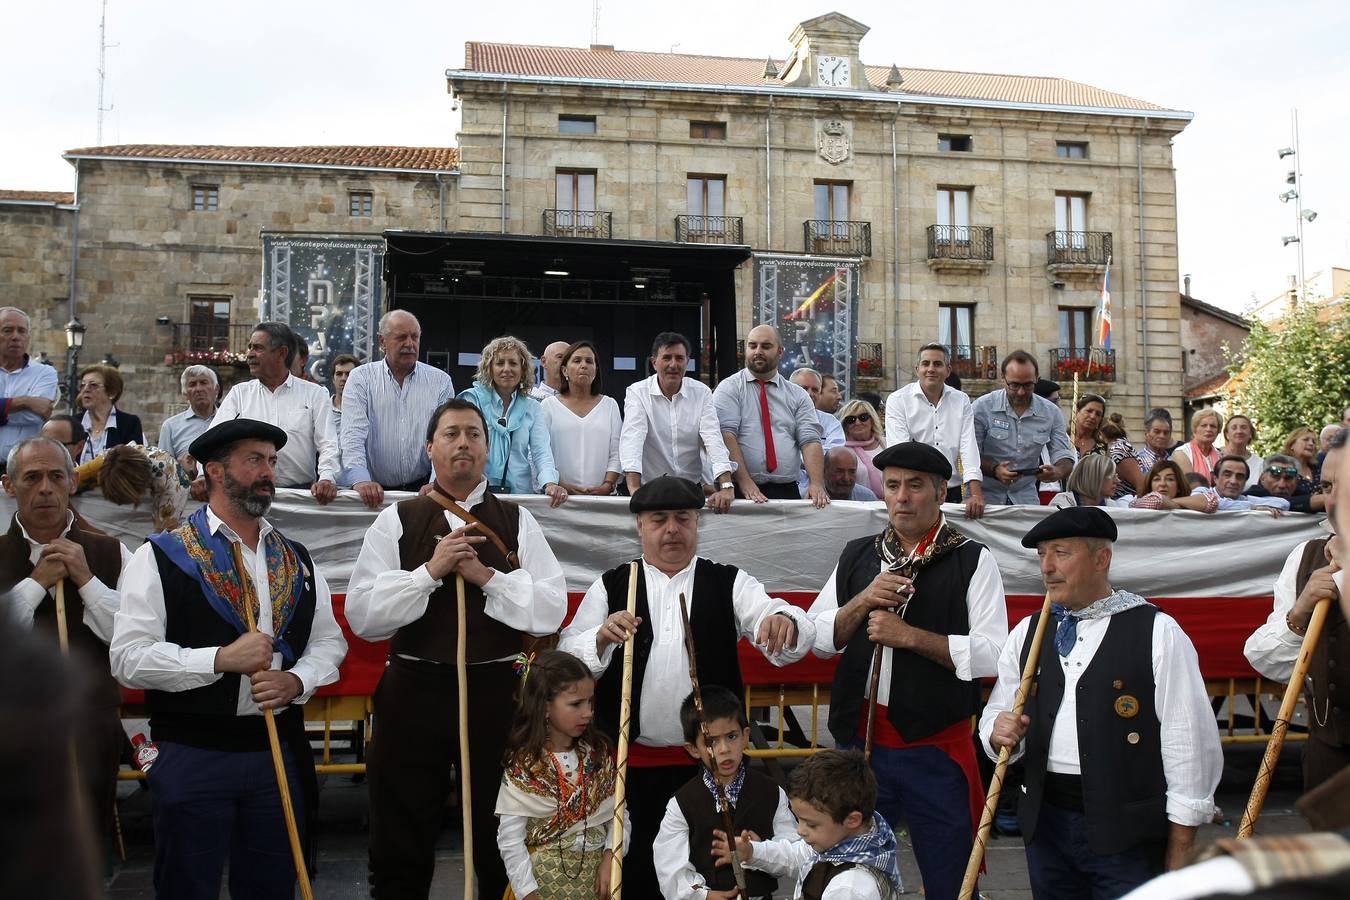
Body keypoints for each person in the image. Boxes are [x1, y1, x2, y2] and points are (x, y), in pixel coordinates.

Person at [109, 418, 348, 899]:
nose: (268, 472)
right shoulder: (162, 555)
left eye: (273, 461)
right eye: (254, 460)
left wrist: (297, 681)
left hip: (277, 749)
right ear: (216, 471)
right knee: (187, 886)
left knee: (271, 886)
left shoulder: (294, 557)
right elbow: (128, 659)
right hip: (193, 752)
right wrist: (218, 658)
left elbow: (329, 641)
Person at [344, 398, 567, 899]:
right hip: (413, 692)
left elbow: (551, 609)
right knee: (400, 830)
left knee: (503, 832)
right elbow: (363, 617)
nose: (463, 442)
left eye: (473, 433)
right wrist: (429, 572)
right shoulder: (398, 519)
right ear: (430, 447)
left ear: (489, 448)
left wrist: (487, 578)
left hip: (496, 693)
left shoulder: (515, 520)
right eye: (450, 434)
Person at [558, 475, 815, 898]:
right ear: (639, 525)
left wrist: (782, 620)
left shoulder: (727, 581)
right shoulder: (613, 584)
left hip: (710, 768)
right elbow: (568, 656)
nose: (672, 529)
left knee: (709, 875)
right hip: (629, 765)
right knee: (637, 874)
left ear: (698, 523)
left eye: (683, 518)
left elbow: (774, 614)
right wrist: (601, 637)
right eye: (659, 519)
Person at [980, 506, 1223, 897]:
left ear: (1101, 558)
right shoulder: (1029, 631)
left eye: (1060, 552)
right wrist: (996, 732)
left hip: (1127, 833)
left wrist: (1181, 847)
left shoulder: (1156, 630)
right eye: (1042, 554)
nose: (1046, 566)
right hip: (1046, 825)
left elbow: (1188, 742)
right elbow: (997, 711)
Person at [807, 441, 1007, 900]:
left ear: (941, 493)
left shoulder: (972, 560)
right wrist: (862, 600)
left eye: (915, 486)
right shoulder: (858, 555)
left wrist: (910, 637)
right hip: (858, 750)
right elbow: (820, 638)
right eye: (893, 485)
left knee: (951, 876)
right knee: (847, 877)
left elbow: (994, 653)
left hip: (935, 751)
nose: (901, 497)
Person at [0, 435, 132, 865]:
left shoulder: (111, 552)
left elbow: (132, 641)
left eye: (56, 476)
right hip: (13, 730)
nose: (45, 489)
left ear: (73, 482)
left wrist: (87, 580)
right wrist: (35, 583)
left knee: (88, 844)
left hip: (91, 724)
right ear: (8, 486)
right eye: (31, 478)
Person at [1244, 430, 1344, 790]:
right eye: (1328, 486)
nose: (1335, 499)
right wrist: (1299, 613)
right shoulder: (1307, 556)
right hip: (1328, 755)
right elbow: (1262, 657)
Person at [495, 649, 623, 900]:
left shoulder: (597, 757)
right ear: (544, 707)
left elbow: (620, 817)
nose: (587, 712)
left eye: (590, 702)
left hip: (592, 889)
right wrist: (527, 893)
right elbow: (510, 840)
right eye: (576, 704)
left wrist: (611, 855)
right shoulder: (526, 767)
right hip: (540, 889)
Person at [653, 686, 797, 900]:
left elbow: (797, 854)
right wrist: (704, 896)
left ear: (745, 735)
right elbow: (670, 873)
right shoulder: (681, 804)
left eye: (731, 736)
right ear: (693, 749)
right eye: (711, 742)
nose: (724, 749)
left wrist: (757, 852)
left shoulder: (771, 792)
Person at [725, 749, 903, 899]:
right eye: (799, 820)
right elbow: (796, 855)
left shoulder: (849, 888)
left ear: (852, 820)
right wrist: (752, 851)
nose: (801, 830)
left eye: (811, 824)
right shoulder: (847, 840)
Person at [213, 322, 340, 501]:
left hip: (300, 498)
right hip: (249, 498)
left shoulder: (315, 394)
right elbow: (214, 439)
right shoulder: (239, 394)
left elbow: (328, 443)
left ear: (282, 353)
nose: (249, 354)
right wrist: (204, 476)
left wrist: (327, 478)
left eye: (257, 348)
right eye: (250, 347)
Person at [340, 310, 455, 505]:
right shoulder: (361, 379)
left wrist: (438, 482)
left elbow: (446, 438)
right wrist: (360, 479)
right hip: (371, 493)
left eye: (415, 337)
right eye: (401, 337)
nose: (410, 344)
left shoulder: (440, 382)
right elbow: (353, 435)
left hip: (425, 490)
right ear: (382, 342)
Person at [620, 331, 735, 512]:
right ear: (654, 362)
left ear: (687, 362)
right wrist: (634, 489)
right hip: (650, 489)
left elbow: (713, 438)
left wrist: (727, 486)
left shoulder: (702, 392)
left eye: (679, 358)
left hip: (689, 489)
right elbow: (633, 438)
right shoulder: (637, 392)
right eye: (666, 358)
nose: (673, 364)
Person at [713, 324, 827, 505]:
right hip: (741, 492)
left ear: (780, 351)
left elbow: (810, 440)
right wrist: (745, 482)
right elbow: (725, 435)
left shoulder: (798, 395)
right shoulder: (729, 388)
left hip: (787, 490)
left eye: (765, 346)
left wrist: (817, 484)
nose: (758, 351)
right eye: (752, 346)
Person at [459, 335, 567, 506]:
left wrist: (550, 483)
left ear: (523, 369)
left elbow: (541, 451)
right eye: (500, 363)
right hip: (473, 493)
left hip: (519, 497)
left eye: (513, 363)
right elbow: (451, 445)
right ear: (489, 368)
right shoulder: (471, 400)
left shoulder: (533, 407)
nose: (507, 369)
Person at [884, 342, 984, 517]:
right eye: (925, 364)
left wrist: (975, 493)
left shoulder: (961, 400)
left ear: (948, 370)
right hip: (913, 489)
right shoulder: (898, 400)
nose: (931, 369)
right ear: (917, 369)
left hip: (951, 489)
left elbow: (968, 447)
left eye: (937, 364)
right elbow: (900, 451)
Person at [972, 350, 1073, 505]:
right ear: (1003, 378)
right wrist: (994, 469)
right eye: (1014, 385)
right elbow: (970, 454)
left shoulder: (1051, 412)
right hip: (985, 497)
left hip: (1025, 497)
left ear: (1037, 379)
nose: (1020, 392)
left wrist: (1058, 471)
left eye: (1027, 385)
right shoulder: (982, 407)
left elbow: (1063, 453)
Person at [540, 340, 622, 495]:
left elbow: (617, 452)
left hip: (603, 500)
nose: (583, 365)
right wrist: (557, 484)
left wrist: (608, 485)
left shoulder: (610, 405)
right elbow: (540, 452)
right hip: (558, 499)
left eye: (589, 361)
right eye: (577, 361)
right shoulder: (548, 406)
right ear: (564, 370)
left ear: (596, 370)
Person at [0, 307, 57, 465]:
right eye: (7, 330)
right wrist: (26, 401)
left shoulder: (45, 373)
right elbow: (31, 412)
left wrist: (3, 406)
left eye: (21, 331)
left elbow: (35, 416)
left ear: (28, 337)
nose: (15, 337)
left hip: (24, 467)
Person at [75, 363, 144, 464]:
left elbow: (134, 465)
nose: (85, 390)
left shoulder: (129, 423)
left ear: (112, 393)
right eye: (82, 385)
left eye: (93, 385)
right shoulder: (73, 423)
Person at [158, 364, 219, 474]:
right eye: (192, 384)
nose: (199, 389)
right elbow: (163, 471)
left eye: (204, 383)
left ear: (216, 389)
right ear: (185, 394)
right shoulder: (170, 427)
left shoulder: (229, 420)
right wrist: (180, 469)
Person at [1197, 454, 1290, 515]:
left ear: (1245, 482)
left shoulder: (1244, 499)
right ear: (1215, 478)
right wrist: (1252, 508)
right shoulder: (1202, 492)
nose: (1233, 481)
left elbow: (1283, 504)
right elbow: (1206, 502)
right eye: (1227, 475)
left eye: (1240, 476)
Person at [1247, 453, 1329, 515]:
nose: (1282, 485)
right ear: (1262, 478)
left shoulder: (1301, 493)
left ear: (1297, 481)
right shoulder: (1249, 496)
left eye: (1288, 479)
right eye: (1276, 477)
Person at [838, 398, 886, 501]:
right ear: (845, 426)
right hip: (858, 507)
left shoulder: (887, 444)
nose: (858, 422)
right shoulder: (841, 450)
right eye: (851, 420)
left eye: (863, 417)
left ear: (872, 420)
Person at [1129, 459, 1219, 512]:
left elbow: (1212, 501)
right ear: (1150, 485)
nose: (1162, 484)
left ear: (1179, 486)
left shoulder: (1188, 500)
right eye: (1157, 479)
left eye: (1170, 479)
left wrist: (1171, 502)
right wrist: (1182, 505)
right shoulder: (1136, 501)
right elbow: (1156, 500)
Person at [791, 367, 845, 451]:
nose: (809, 393)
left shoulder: (830, 422)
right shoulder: (776, 416)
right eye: (804, 388)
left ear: (820, 394)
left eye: (815, 390)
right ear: (790, 390)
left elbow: (835, 451)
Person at [1049, 454, 1129, 508]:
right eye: (1112, 476)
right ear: (1095, 477)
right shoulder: (1062, 503)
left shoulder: (1111, 506)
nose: (1118, 481)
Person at [1172, 409, 1223, 484]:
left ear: (1218, 431)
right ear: (1195, 429)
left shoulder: (1220, 456)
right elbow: (1191, 485)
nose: (1208, 429)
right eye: (1203, 425)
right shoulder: (1181, 453)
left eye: (1213, 426)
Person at [1101, 413, 1146, 498]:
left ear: (1101, 433)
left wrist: (1139, 507)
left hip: (1127, 503)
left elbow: (1140, 483)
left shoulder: (1119, 449)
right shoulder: (1117, 446)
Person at [1221, 414, 1262, 490]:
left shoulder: (1260, 464)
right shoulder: (1215, 456)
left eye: (1243, 427)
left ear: (1250, 434)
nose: (1239, 431)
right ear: (1227, 434)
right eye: (1234, 428)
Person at [1135, 409, 1176, 478]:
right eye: (1157, 432)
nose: (1162, 436)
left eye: (1166, 433)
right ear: (1146, 433)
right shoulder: (1137, 461)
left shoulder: (1174, 460)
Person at [328, 352, 359, 439]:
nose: (343, 378)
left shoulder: (367, 410)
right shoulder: (322, 410)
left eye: (348, 374)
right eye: (339, 374)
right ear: (333, 379)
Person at [1283, 426, 1322, 493]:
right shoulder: (1282, 469)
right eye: (1306, 439)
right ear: (1292, 445)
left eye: (1314, 441)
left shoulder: (1319, 468)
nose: (1311, 443)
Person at [1070, 393, 1108, 460]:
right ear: (1077, 412)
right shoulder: (1062, 439)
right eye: (1089, 411)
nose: (1093, 416)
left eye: (1098, 414)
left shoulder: (1104, 448)